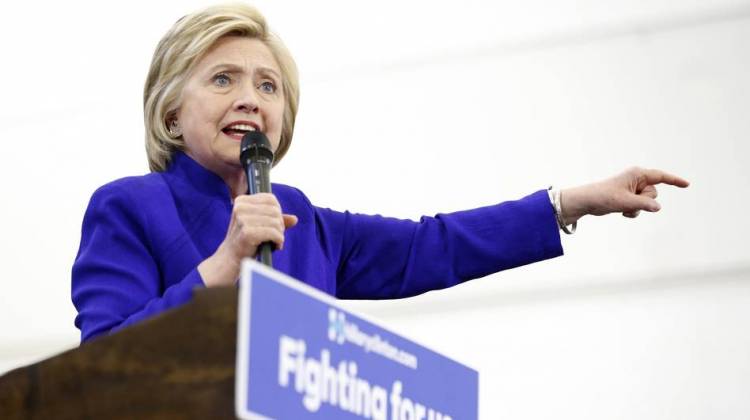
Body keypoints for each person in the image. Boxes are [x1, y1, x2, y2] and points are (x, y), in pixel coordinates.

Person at [71, 3, 689, 343]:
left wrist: (568, 203)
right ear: (172, 113)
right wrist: (223, 265)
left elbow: (433, 244)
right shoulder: (128, 207)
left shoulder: (306, 223)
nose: (251, 99)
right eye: (222, 79)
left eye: (268, 86)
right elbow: (99, 364)